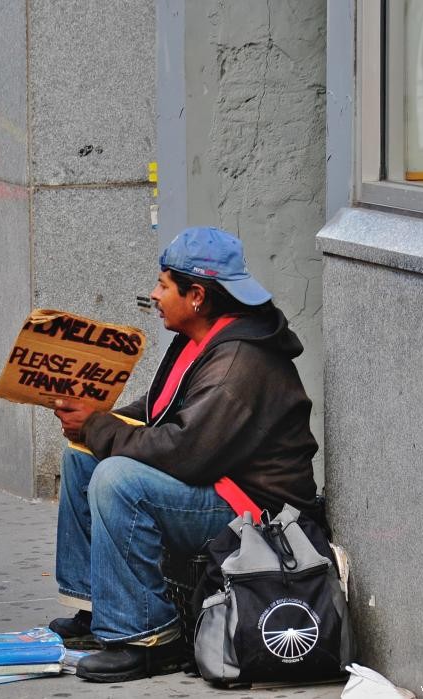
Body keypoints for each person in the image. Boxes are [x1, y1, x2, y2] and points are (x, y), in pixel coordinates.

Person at [49, 227, 320, 683]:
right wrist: (97, 419)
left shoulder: (239, 361)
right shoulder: (201, 338)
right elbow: (159, 413)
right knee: (83, 458)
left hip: (256, 510)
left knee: (117, 479)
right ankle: (96, 609)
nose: (154, 295)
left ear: (196, 295)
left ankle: (148, 637)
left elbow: (186, 450)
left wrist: (98, 426)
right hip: (218, 480)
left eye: (163, 285)